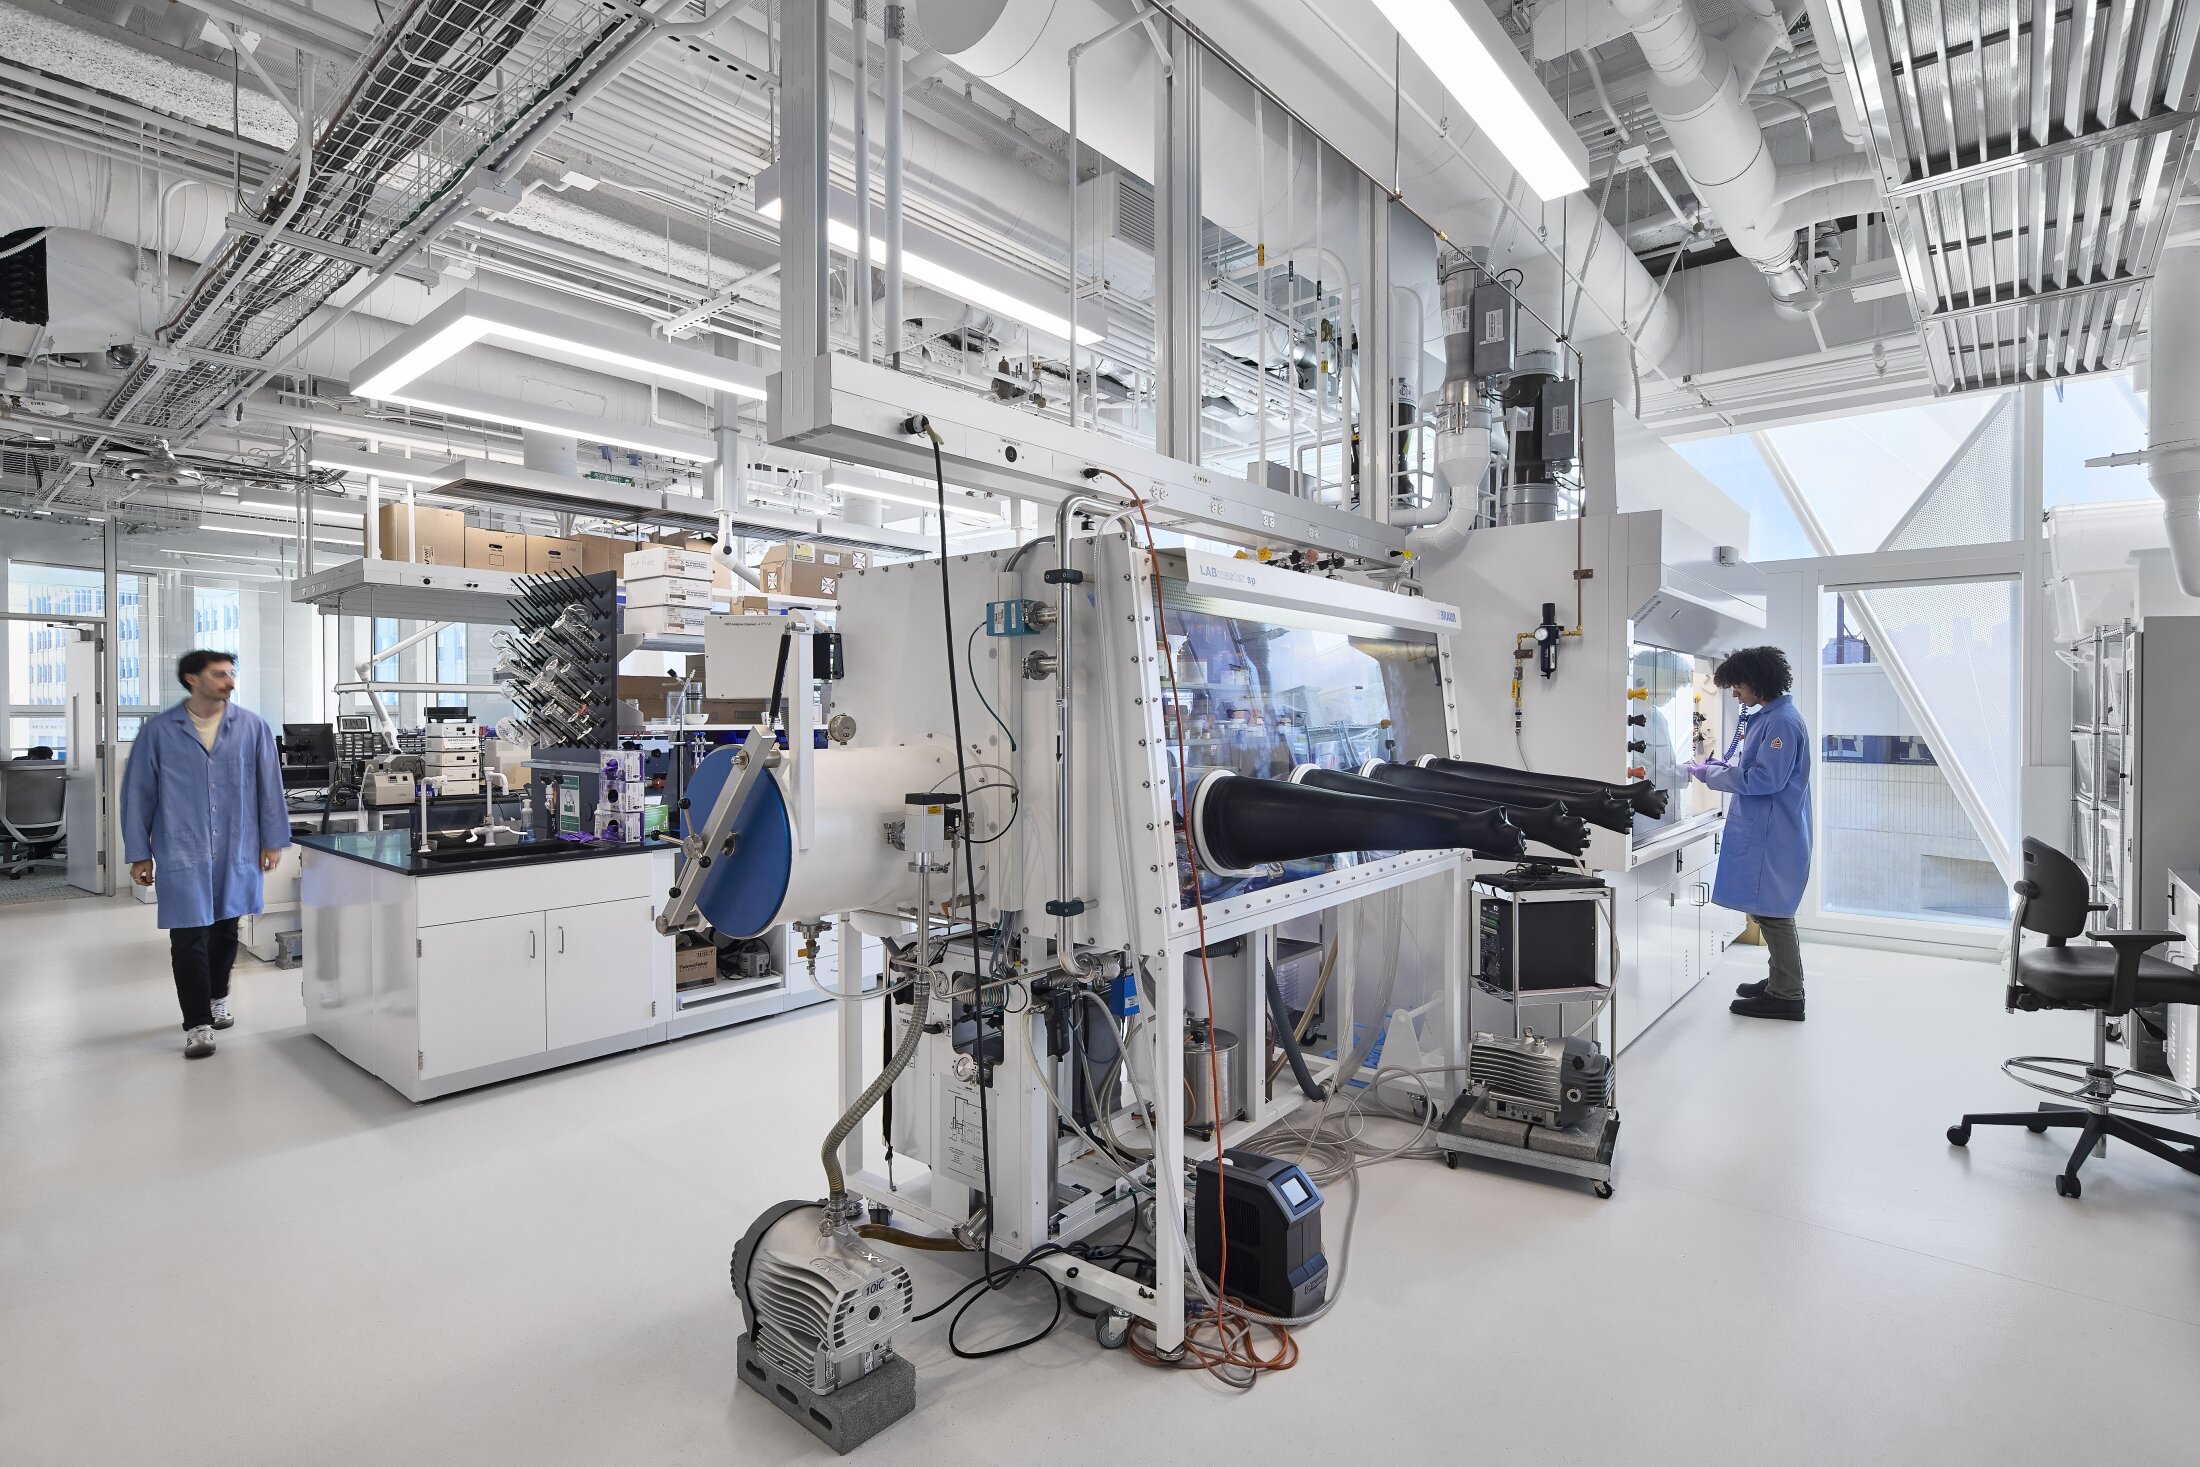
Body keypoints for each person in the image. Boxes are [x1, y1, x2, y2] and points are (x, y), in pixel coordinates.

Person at [121, 650, 291, 1059]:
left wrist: (272, 841)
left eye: (231, 673)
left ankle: (218, 997)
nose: (228, 681)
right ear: (191, 679)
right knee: (188, 936)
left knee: (225, 931)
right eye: (219, 674)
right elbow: (138, 795)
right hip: (183, 848)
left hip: (237, 846)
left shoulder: (251, 727)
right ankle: (197, 1024)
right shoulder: (159, 732)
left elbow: (270, 788)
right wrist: (138, 853)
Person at [1687, 645, 1813, 1022]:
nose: (1734, 694)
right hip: (1769, 828)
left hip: (1773, 832)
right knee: (1769, 909)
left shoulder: (1781, 723)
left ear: (1757, 682)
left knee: (1774, 914)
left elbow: (1766, 779)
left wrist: (1712, 774)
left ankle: (1787, 994)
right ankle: (1781, 979)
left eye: (1738, 686)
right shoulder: (1771, 717)